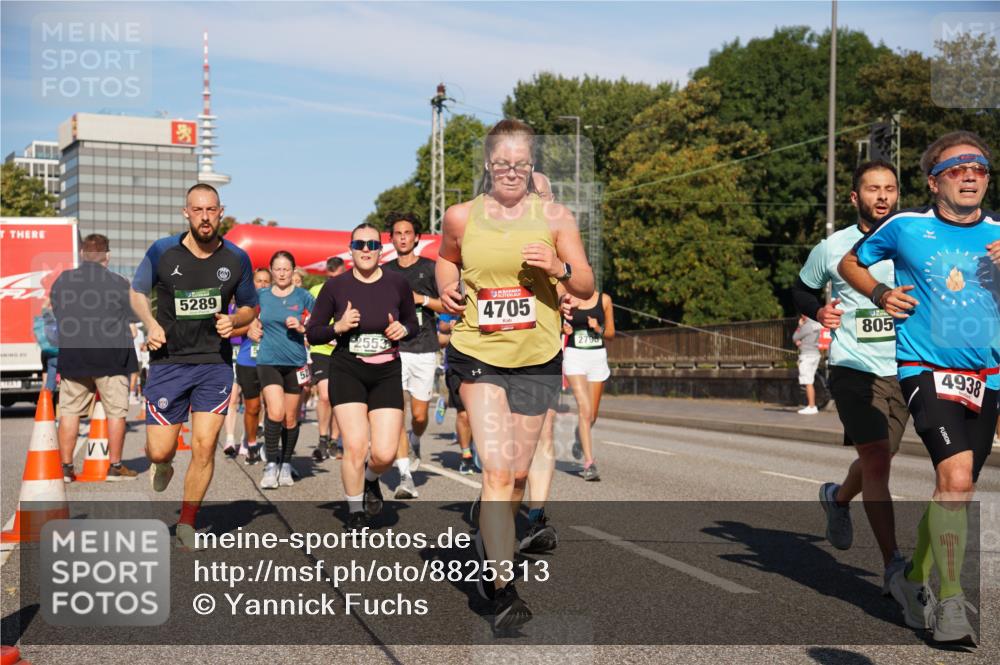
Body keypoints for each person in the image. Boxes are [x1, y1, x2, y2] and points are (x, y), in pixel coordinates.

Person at [839, 131, 998, 646]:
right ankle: (950, 603)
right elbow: (850, 263)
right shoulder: (905, 227)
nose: (971, 173)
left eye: (979, 166)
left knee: (958, 486)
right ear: (933, 182)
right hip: (925, 367)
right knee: (954, 478)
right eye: (957, 168)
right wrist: (881, 292)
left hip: (988, 376)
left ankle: (911, 577)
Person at [436, 119, 593, 633]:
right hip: (477, 351)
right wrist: (450, 289)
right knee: (499, 471)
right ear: (487, 164)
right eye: (501, 162)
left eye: (520, 163)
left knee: (520, 477)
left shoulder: (554, 216)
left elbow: (587, 284)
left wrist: (558, 267)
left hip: (537, 354)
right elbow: (446, 259)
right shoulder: (460, 216)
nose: (510, 171)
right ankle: (500, 589)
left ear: (532, 167)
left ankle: (493, 533)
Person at [791, 160, 908, 594]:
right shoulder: (834, 246)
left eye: (890, 188)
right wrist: (818, 310)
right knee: (877, 460)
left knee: (882, 457)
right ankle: (893, 564)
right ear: (855, 197)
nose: (883, 196)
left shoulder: (912, 241)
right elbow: (801, 288)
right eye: (873, 189)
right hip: (853, 366)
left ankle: (838, 498)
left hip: (906, 367)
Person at [130, 183, 257, 549]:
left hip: (213, 364)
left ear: (221, 212)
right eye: (197, 210)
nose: (205, 217)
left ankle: (188, 519)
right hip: (169, 362)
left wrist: (234, 321)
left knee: (204, 446)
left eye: (211, 210)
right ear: (186, 213)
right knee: (159, 450)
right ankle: (164, 465)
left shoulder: (236, 258)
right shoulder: (162, 251)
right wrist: (150, 324)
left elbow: (249, 306)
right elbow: (137, 292)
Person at [306, 223, 417, 530]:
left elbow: (413, 323)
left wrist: (404, 329)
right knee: (355, 445)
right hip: (348, 370)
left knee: (383, 453)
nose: (366, 250)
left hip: (386, 372)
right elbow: (313, 332)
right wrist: (338, 327)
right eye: (359, 245)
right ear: (350, 249)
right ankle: (355, 511)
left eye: (372, 244)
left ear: (381, 249)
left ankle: (370, 480)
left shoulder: (397, 283)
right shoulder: (335, 287)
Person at [51, 234, 139, 482]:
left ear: (82, 255)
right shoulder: (119, 283)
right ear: (107, 257)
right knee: (116, 413)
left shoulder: (63, 281)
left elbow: (58, 313)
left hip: (74, 355)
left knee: (69, 411)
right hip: (111, 357)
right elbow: (132, 316)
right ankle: (115, 466)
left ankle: (66, 468)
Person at [383, 211, 446, 499]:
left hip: (424, 347)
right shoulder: (385, 271)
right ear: (392, 238)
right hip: (395, 350)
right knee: (397, 411)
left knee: (419, 416)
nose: (403, 237)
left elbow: (447, 304)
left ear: (417, 237)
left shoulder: (431, 269)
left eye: (408, 233)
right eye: (398, 233)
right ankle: (404, 476)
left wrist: (422, 299)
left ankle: (415, 438)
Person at [247, 251, 315, 489]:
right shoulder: (262, 295)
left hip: (295, 362)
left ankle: (286, 463)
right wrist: (250, 329)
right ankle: (271, 465)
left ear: (293, 270)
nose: (282, 273)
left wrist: (302, 327)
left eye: (287, 269)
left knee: (290, 418)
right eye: (278, 269)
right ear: (271, 270)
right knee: (274, 412)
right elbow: (248, 317)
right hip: (268, 360)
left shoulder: (303, 296)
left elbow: (319, 323)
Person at [562, 291, 615, 481]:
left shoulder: (604, 300)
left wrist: (597, 328)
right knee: (584, 410)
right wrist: (563, 330)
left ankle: (579, 436)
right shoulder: (567, 298)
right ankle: (589, 463)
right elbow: (554, 323)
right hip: (575, 356)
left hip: (597, 358)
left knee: (592, 415)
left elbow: (611, 333)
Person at [231, 267, 272, 463]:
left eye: (266, 281)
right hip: (247, 361)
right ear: (252, 283)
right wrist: (249, 327)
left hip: (272, 361)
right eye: (259, 281)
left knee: (273, 406)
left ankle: (272, 447)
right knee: (252, 407)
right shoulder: (245, 306)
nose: (263, 284)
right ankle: (252, 443)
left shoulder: (276, 303)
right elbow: (231, 331)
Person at [309, 257, 347, 461]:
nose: (334, 281)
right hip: (322, 349)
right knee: (324, 395)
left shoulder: (354, 289)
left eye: (337, 277)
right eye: (330, 277)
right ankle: (323, 439)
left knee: (339, 397)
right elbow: (308, 319)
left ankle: (334, 440)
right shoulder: (316, 291)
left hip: (344, 350)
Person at [221, 299, 243, 457]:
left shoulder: (250, 306)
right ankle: (229, 439)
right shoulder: (223, 307)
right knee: (233, 398)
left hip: (249, 352)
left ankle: (248, 438)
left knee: (253, 401)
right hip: (230, 353)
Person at [793, 315, 823, 414]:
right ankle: (812, 405)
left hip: (807, 355)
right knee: (810, 380)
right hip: (815, 353)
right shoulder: (817, 324)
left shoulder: (807, 326)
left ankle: (811, 406)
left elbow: (795, 337)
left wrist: (799, 326)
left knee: (808, 381)